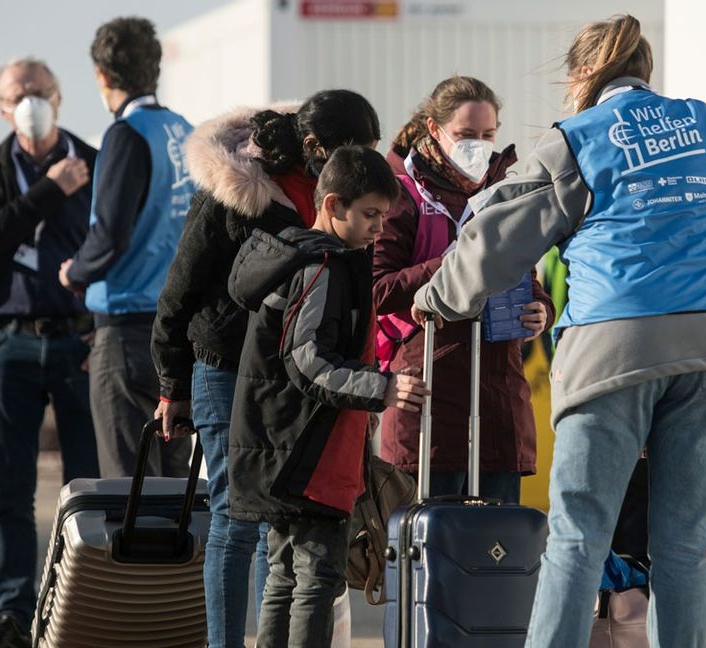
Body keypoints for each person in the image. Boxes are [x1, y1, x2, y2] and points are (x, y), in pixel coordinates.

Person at [409, 14, 706, 646]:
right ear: (645, 72)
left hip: (615, 344)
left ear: (583, 75)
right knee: (682, 549)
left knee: (577, 539)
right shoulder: (704, 124)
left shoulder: (578, 139)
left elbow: (500, 232)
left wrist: (440, 297)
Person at [151, 90, 384, 648]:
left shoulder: (339, 199)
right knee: (235, 517)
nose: (359, 164)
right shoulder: (237, 190)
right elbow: (180, 289)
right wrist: (171, 384)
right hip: (225, 368)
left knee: (276, 520)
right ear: (312, 145)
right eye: (352, 150)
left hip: (292, 385)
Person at [226, 146, 428, 648]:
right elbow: (308, 361)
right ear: (333, 204)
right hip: (308, 453)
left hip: (279, 445)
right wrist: (382, 387)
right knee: (316, 576)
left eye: (385, 216)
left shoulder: (300, 256)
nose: (379, 228)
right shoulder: (324, 266)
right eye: (371, 215)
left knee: (283, 575)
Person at [0, 57, 100, 648]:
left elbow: (117, 246)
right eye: (17, 94)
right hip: (9, 341)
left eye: (38, 91)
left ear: (58, 98)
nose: (28, 101)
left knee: (86, 487)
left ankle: (82, 609)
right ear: (1, 107)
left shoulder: (97, 161)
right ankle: (13, 614)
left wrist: (100, 331)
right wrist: (49, 190)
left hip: (78, 341)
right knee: (7, 490)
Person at [373, 76, 553, 504]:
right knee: (431, 545)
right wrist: (456, 265)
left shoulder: (506, 193)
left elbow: (526, 277)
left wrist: (540, 310)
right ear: (434, 130)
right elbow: (377, 289)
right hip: (429, 391)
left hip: (498, 396)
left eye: (488, 135)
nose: (479, 145)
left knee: (497, 548)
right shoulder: (404, 193)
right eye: (465, 135)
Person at [59, 16, 195, 478]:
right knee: (177, 495)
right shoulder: (184, 130)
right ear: (155, 69)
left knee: (128, 490)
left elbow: (110, 235)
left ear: (102, 76)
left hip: (126, 332)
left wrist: (75, 272)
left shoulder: (126, 134)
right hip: (178, 332)